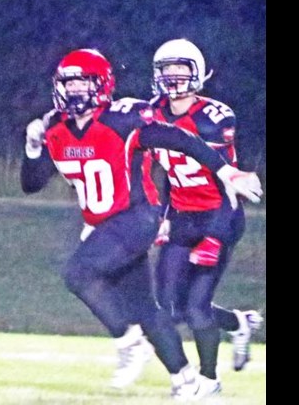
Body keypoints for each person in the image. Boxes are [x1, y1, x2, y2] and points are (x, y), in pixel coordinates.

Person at [20, 48, 263, 399]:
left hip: (138, 216)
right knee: (147, 308)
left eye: (81, 83)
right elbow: (32, 183)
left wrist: (225, 169)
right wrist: (32, 147)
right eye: (68, 84)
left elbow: (178, 138)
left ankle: (128, 341)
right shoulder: (55, 127)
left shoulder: (124, 118)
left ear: (101, 85)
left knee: (79, 273)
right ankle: (188, 381)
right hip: (104, 225)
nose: (74, 92)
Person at [146, 38, 264, 387]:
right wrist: (164, 214)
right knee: (171, 308)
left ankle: (208, 381)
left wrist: (215, 235)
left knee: (197, 308)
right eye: (167, 71)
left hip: (219, 214)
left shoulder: (213, 118)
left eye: (181, 71)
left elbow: (228, 183)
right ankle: (238, 324)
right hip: (182, 216)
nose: (174, 78)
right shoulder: (152, 112)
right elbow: (165, 172)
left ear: (197, 74)